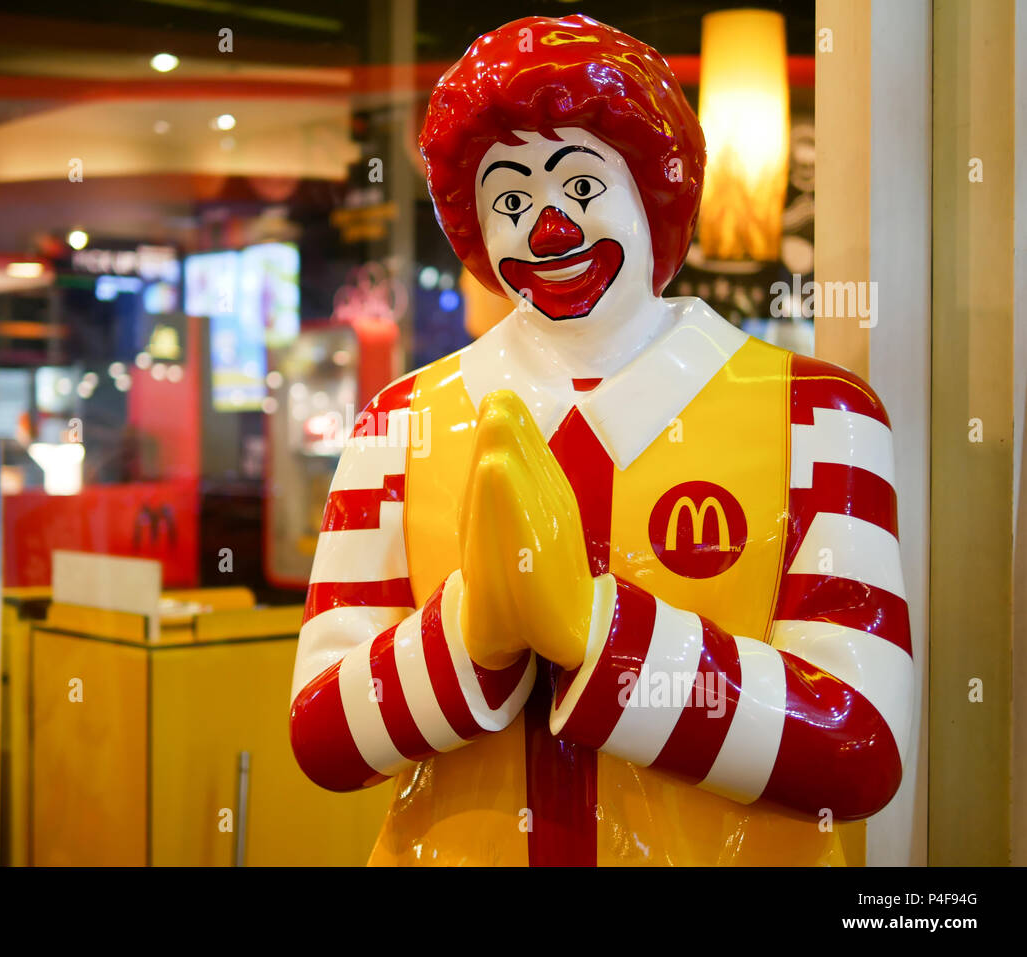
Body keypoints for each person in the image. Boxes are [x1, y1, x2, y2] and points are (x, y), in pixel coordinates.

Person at [288, 15, 912, 866]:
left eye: (581, 187)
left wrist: (602, 635)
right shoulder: (396, 426)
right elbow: (325, 736)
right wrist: (472, 634)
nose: (550, 231)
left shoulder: (820, 419)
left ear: (654, 187)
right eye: (512, 200)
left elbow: (861, 746)